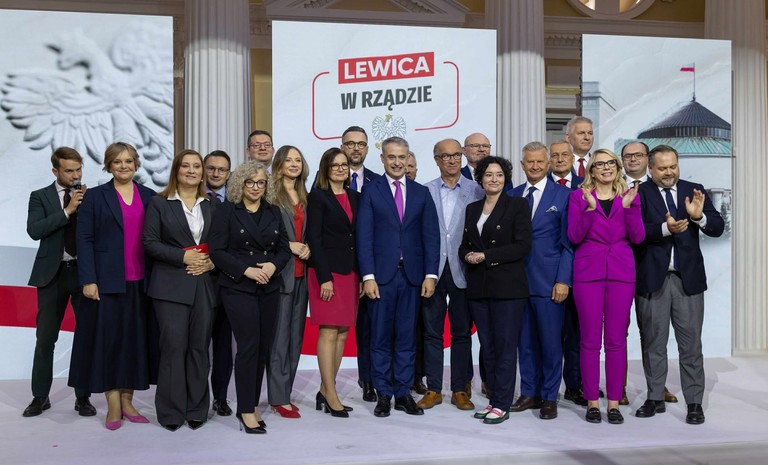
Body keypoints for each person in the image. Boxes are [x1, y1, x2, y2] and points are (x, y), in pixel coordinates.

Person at [68, 142, 156, 430]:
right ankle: (114, 404)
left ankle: (128, 402)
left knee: (134, 344)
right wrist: (88, 279)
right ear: (109, 165)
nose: (123, 166)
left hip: (141, 283)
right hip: (107, 283)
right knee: (110, 344)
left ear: (136, 164)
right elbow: (84, 239)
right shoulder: (95, 197)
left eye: (128, 161)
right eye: (117, 162)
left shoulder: (150, 196)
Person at [634, 145, 724, 425]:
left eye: (673, 166)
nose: (669, 172)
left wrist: (698, 217)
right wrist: (665, 229)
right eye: (662, 168)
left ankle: (694, 403)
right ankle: (655, 397)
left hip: (688, 281)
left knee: (691, 345)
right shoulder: (639, 193)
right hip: (653, 279)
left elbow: (717, 227)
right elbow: (634, 232)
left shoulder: (693, 190)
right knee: (653, 343)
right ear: (650, 168)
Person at [357, 136, 440, 418]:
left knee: (407, 337)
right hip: (381, 278)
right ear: (382, 158)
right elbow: (364, 237)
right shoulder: (371, 191)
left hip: (413, 277)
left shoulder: (421, 193)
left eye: (401, 157)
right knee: (380, 337)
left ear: (408, 159)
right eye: (391, 157)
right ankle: (383, 393)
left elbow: (431, 236)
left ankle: (403, 393)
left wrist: (431, 274)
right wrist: (368, 276)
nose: (396, 162)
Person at [209, 161, 290, 434]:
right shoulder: (227, 210)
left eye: (261, 183)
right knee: (248, 347)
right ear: (240, 183)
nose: (256, 187)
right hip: (238, 286)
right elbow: (217, 251)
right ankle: (245, 409)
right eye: (250, 182)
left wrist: (273, 266)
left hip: (269, 286)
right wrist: (246, 270)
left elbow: (284, 249)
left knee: (263, 348)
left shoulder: (273, 211)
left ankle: (252, 404)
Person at [567, 149, 644, 425]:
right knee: (589, 340)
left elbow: (638, 237)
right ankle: (591, 402)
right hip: (588, 274)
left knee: (615, 341)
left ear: (617, 167)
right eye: (599, 164)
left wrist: (629, 209)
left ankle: (613, 403)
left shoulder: (630, 197)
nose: (606, 167)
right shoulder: (579, 197)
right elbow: (574, 236)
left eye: (611, 163)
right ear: (591, 170)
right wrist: (589, 209)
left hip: (621, 273)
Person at [143, 149, 216, 431]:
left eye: (196, 166)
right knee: (173, 348)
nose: (191, 170)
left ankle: (197, 408)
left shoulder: (212, 204)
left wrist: (211, 262)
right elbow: (150, 242)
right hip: (170, 286)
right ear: (176, 170)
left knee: (199, 348)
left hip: (204, 286)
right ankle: (171, 411)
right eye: (185, 165)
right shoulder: (159, 203)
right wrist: (183, 256)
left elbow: (222, 243)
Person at [23, 147, 96, 418]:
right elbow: (34, 230)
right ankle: (40, 396)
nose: (76, 175)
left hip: (83, 274)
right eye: (69, 171)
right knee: (45, 338)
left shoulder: (90, 196)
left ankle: (83, 397)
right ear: (55, 171)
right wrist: (67, 211)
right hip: (51, 275)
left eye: (79, 169)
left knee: (86, 336)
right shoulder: (39, 196)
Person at [459, 156, 531, 425]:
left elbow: (522, 246)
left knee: (505, 347)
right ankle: (494, 400)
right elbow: (464, 244)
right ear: (480, 178)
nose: (494, 179)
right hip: (479, 287)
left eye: (499, 174)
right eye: (488, 174)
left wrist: (486, 256)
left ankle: (502, 403)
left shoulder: (517, 205)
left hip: (508, 288)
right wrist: (466, 255)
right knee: (488, 348)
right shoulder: (472, 208)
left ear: (506, 178)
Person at [508, 142, 573, 420]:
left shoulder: (565, 195)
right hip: (516, 282)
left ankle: (549, 396)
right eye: (529, 162)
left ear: (548, 164)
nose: (534, 166)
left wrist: (563, 280)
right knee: (524, 343)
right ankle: (529, 392)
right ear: (522, 165)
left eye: (539, 162)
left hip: (549, 283)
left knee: (550, 344)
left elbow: (569, 244)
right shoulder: (511, 195)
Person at [418, 139, 484, 412]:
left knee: (461, 333)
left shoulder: (477, 190)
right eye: (445, 156)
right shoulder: (425, 191)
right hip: (432, 272)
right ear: (436, 160)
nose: (452, 160)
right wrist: (427, 272)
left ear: (463, 156)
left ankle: (460, 389)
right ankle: (433, 388)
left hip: (464, 271)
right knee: (432, 332)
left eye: (456, 155)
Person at [619, 141, 677, 406]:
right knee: (618, 332)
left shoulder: (660, 189)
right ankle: (618, 387)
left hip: (650, 268)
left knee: (652, 333)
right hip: (619, 268)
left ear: (648, 160)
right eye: (627, 156)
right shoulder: (612, 184)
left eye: (638, 155)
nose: (633, 159)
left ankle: (657, 387)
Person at [306, 147, 361, 418]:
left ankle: (325, 389)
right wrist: (324, 277)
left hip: (350, 273)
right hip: (326, 274)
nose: (340, 169)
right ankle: (331, 393)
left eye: (344, 165)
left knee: (342, 333)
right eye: (335, 165)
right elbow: (314, 239)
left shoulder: (355, 196)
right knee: (328, 332)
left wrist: (362, 274)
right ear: (325, 169)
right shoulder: (317, 197)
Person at [267, 146, 311, 419]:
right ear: (279, 164)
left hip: (302, 275)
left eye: (298, 160)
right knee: (279, 340)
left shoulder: (305, 195)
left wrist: (308, 247)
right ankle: (278, 397)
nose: (294, 164)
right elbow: (264, 234)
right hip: (280, 275)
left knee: (295, 339)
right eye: (288, 160)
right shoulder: (271, 195)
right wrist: (289, 245)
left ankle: (286, 392)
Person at [341, 125, 380, 403]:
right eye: (351, 143)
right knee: (336, 330)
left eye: (361, 144)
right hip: (340, 268)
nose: (356, 148)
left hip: (372, 268)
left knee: (370, 328)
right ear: (342, 147)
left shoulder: (378, 182)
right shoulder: (326, 181)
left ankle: (368, 380)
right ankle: (328, 388)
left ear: (367, 148)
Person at [548, 139, 586, 407]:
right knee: (550, 335)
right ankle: (546, 388)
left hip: (582, 272)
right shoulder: (538, 188)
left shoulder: (586, 186)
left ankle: (575, 385)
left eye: (565, 155)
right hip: (547, 273)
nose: (560, 159)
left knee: (577, 334)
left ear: (574, 159)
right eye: (555, 155)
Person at [203, 150, 234, 416]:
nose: (215, 173)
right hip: (196, 282)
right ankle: (197, 398)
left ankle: (221, 398)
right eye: (211, 168)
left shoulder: (237, 201)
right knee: (197, 345)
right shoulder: (190, 198)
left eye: (221, 169)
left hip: (227, 283)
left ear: (228, 174)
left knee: (223, 346)